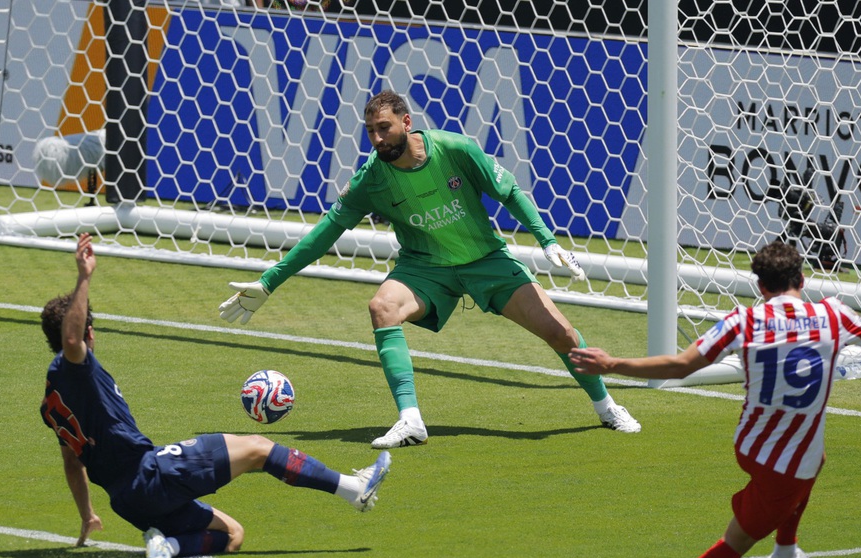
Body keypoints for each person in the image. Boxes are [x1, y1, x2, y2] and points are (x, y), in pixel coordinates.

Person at [219, 89, 640, 449]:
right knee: (382, 307)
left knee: (561, 333)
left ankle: (607, 407)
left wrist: (546, 240)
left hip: (485, 261)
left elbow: (509, 191)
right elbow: (325, 233)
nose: (377, 138)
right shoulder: (372, 179)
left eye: (384, 128)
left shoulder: (454, 149)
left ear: (406, 121)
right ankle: (411, 421)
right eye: (370, 131)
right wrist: (270, 280)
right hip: (425, 268)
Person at [569, 242, 861, 558]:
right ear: (803, 279)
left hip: (749, 445)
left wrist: (613, 363)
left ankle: (786, 549)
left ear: (760, 287)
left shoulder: (742, 322)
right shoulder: (834, 314)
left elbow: (679, 367)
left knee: (818, 457)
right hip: (787, 465)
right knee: (737, 542)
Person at [41, 233, 391, 558]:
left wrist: (87, 514)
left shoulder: (51, 400)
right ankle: (353, 489)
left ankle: (168, 545)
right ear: (88, 332)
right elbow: (72, 342)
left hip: (129, 503)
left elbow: (73, 463)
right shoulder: (78, 366)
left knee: (233, 535)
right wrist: (84, 278)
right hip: (152, 473)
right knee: (258, 448)